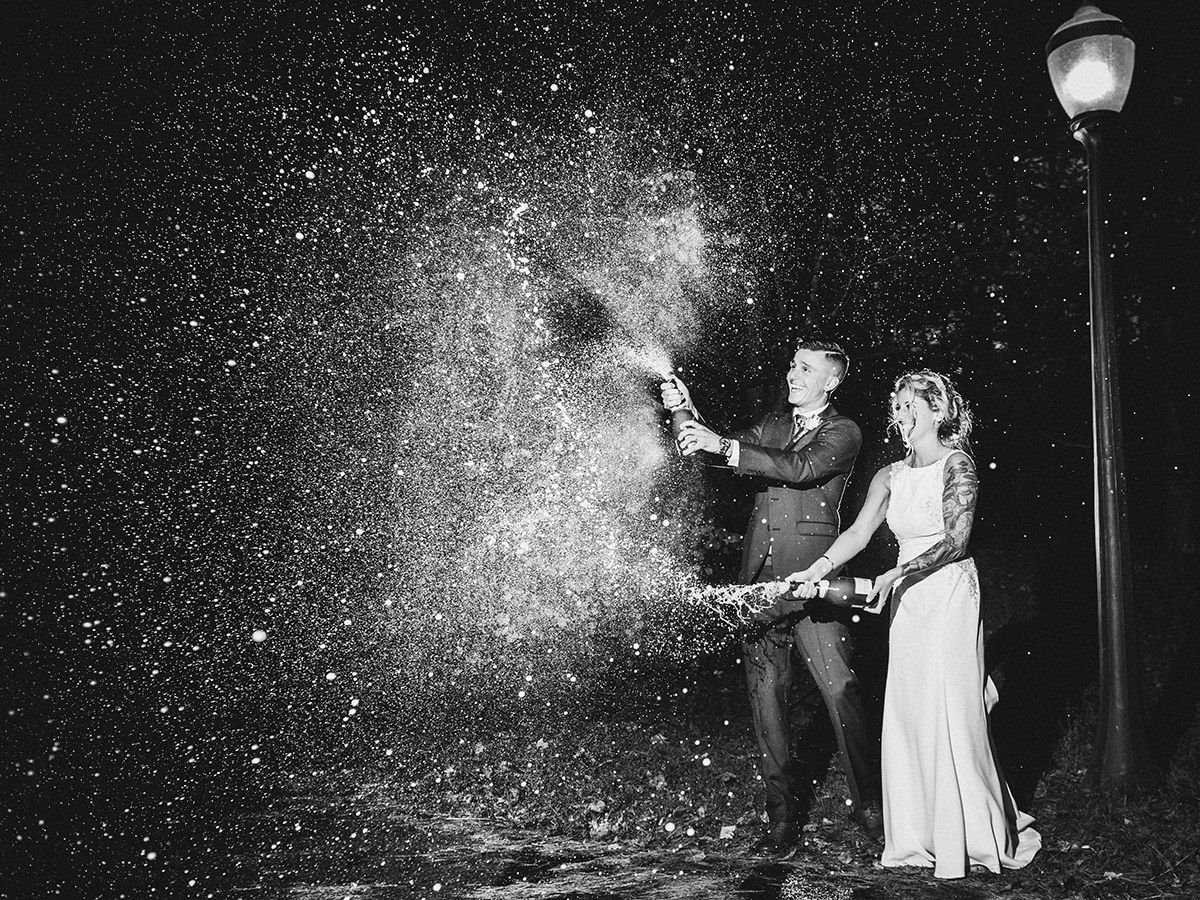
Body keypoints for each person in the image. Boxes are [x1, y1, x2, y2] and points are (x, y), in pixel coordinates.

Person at [788, 371, 1041, 878]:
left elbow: (956, 540)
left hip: (947, 593)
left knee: (951, 708)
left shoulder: (958, 466)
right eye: (897, 407)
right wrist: (816, 570)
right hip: (905, 601)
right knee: (912, 709)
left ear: (939, 411)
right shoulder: (889, 475)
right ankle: (919, 834)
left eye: (911, 407)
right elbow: (858, 532)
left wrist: (898, 572)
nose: (901, 416)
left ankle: (969, 834)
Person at [663, 339, 882, 857]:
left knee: (841, 692)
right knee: (767, 702)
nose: (792, 373)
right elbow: (708, 451)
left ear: (831, 381)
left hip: (814, 583)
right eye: (791, 364)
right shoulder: (770, 423)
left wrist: (724, 446)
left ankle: (871, 809)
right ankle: (781, 820)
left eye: (805, 368)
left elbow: (798, 469)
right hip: (759, 584)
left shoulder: (843, 431)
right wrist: (682, 410)